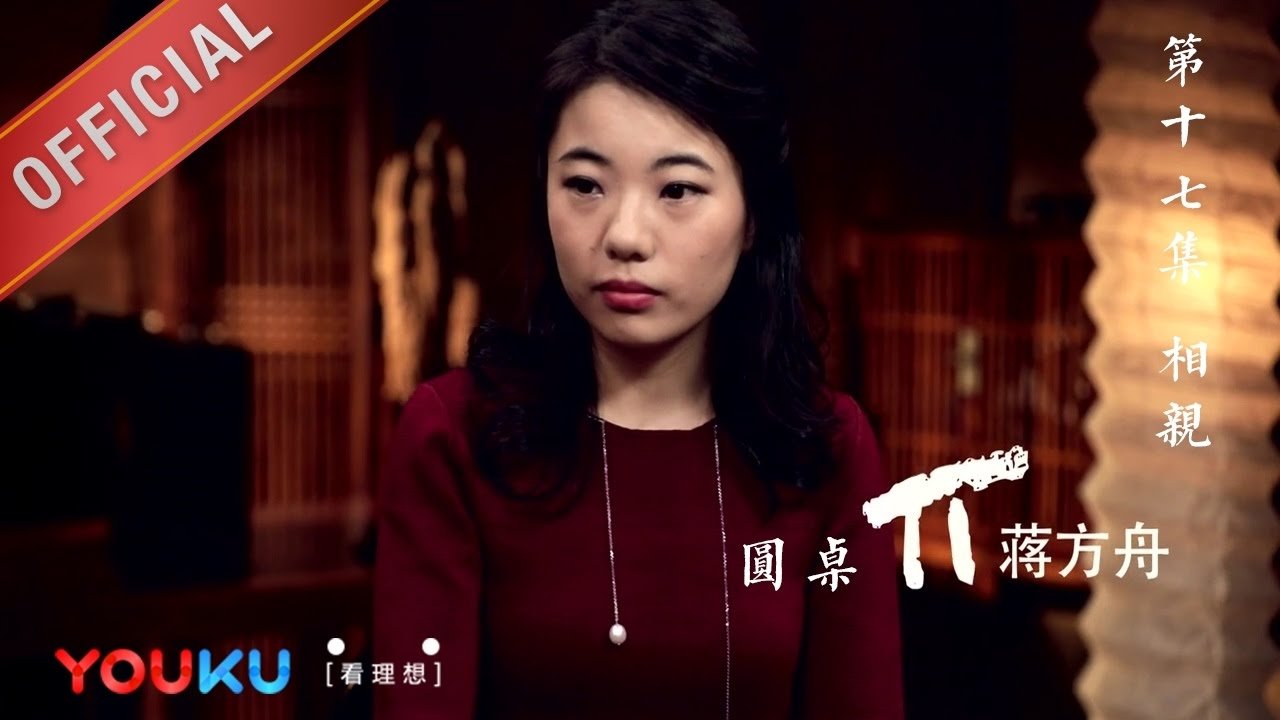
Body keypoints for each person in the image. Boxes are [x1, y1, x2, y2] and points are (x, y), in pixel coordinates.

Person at [373, 0, 905, 717]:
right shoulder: (455, 435)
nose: (625, 235)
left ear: (752, 217)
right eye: (585, 185)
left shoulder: (825, 451)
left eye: (677, 190)